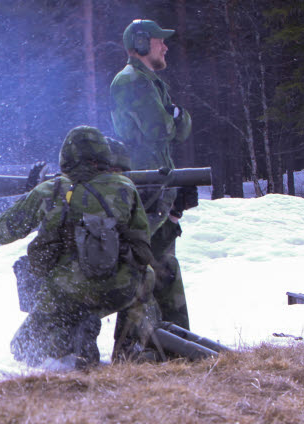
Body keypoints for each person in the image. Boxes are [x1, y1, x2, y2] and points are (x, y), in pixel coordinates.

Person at [0, 126, 161, 369]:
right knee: (146, 276)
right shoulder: (125, 187)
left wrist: (34, 194)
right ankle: (129, 353)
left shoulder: (49, 190)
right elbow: (142, 245)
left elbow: (2, 231)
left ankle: (69, 338)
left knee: (21, 347)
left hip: (64, 292)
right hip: (117, 288)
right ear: (104, 155)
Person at [110, 19, 193, 331]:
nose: (165, 46)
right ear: (142, 43)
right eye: (160, 40)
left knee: (163, 265)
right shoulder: (133, 80)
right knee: (145, 266)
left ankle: (173, 345)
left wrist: (174, 118)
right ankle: (139, 348)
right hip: (146, 187)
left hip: (156, 182)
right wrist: (174, 117)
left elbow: (177, 128)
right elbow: (161, 128)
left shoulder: (148, 80)